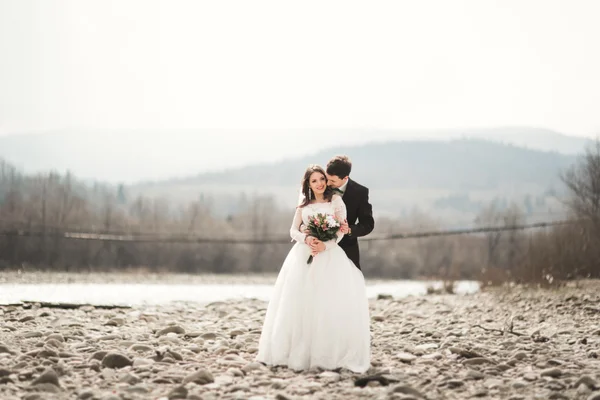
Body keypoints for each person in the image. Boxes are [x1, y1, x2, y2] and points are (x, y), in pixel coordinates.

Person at [256, 165, 371, 373]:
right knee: (299, 301)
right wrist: (308, 238)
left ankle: (327, 352)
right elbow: (293, 229)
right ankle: (295, 351)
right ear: (308, 185)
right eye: (314, 181)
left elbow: (341, 230)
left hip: (330, 255)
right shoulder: (303, 205)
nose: (319, 184)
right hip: (303, 254)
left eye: (322, 179)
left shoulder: (336, 201)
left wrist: (325, 245)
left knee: (326, 302)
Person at [309, 155, 374, 270]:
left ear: (345, 178)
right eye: (327, 178)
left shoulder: (360, 192)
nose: (327, 184)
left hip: (347, 250)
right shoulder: (320, 186)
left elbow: (368, 224)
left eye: (332, 180)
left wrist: (349, 230)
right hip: (318, 249)